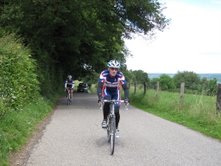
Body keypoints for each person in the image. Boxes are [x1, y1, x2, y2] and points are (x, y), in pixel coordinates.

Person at [97, 60, 129, 136]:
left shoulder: (120, 75)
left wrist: (126, 98)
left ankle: (116, 127)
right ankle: (104, 120)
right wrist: (100, 97)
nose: (114, 70)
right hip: (107, 90)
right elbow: (99, 86)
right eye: (112, 68)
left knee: (117, 109)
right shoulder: (104, 73)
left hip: (115, 92)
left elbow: (125, 88)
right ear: (109, 68)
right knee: (107, 102)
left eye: (116, 69)